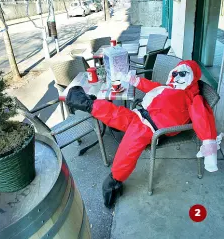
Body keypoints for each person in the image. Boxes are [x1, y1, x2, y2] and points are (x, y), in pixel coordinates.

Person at [65, 60, 219, 208]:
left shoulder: (192, 97)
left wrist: (209, 148)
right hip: (140, 115)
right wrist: (132, 79)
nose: (177, 76)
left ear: (192, 78)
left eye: (183, 74)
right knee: (115, 113)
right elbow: (151, 86)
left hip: (153, 128)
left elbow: (202, 118)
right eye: (176, 73)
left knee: (128, 148)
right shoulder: (169, 88)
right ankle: (85, 102)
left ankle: (114, 180)